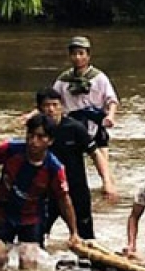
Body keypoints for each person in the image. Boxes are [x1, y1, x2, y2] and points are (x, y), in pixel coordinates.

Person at [0, 114, 84, 270]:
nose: (33, 141)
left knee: (28, 263)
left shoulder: (54, 168)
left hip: (32, 216)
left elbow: (63, 199)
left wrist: (73, 232)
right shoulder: (9, 149)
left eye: (40, 137)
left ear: (50, 141)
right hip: (3, 211)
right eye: (30, 135)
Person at [35, 88, 113, 241]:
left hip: (75, 189)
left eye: (55, 105)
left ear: (61, 106)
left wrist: (107, 181)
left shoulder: (75, 128)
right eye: (46, 105)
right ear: (39, 108)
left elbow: (95, 154)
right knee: (36, 235)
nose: (51, 109)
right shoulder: (36, 131)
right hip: (46, 191)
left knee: (85, 237)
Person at [49, 36, 120, 178]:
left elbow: (111, 100)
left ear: (88, 56)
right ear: (70, 56)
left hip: (96, 122)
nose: (77, 57)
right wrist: (32, 114)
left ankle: (108, 184)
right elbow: (52, 99)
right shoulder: (64, 79)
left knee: (102, 160)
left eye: (81, 53)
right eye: (74, 54)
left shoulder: (99, 78)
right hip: (73, 124)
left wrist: (110, 116)